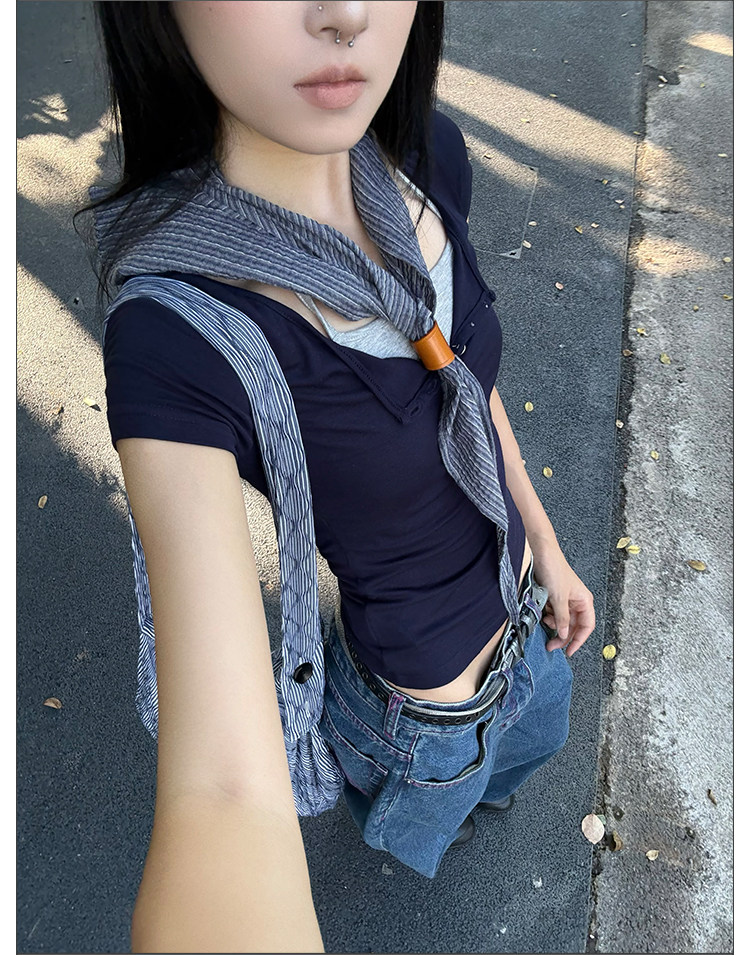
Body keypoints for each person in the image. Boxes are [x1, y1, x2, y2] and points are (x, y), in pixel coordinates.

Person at [77, 1, 596, 951]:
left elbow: (470, 389)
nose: (346, 14)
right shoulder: (180, 338)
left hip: (532, 628)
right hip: (419, 717)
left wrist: (550, 548)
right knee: (427, 816)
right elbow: (223, 790)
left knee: (526, 758)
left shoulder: (428, 157)